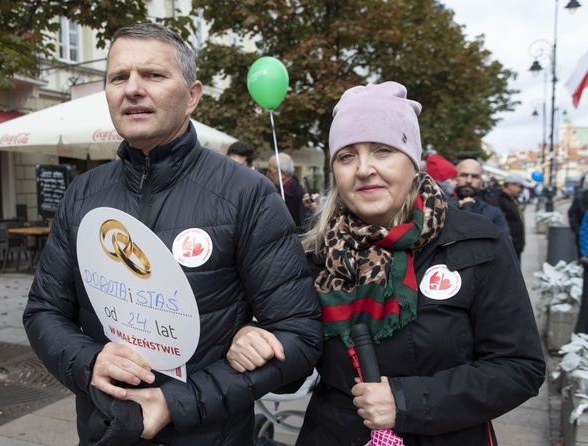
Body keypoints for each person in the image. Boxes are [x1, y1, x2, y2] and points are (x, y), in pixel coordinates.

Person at [23, 23, 322, 446]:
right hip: (105, 430)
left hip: (208, 435)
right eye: (118, 77)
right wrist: (89, 362)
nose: (132, 89)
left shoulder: (246, 194)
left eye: (154, 75)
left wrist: (177, 402)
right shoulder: (83, 194)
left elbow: (300, 336)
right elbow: (43, 312)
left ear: (193, 96)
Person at [226, 81, 545, 445]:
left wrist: (408, 401)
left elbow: (519, 368)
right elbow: (292, 370)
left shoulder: (477, 244)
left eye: (382, 150)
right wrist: (255, 340)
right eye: (347, 156)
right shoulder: (315, 252)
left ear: (412, 160)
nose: (364, 169)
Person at [449, 158, 510, 236]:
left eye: (475, 176)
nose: (469, 180)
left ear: (481, 181)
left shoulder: (493, 213)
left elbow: (504, 244)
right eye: (464, 175)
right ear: (454, 177)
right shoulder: (441, 207)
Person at [488, 173, 527, 264]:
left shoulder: (512, 199)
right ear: (510, 185)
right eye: (520, 186)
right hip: (507, 248)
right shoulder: (497, 200)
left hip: (515, 246)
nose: (522, 190)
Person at [266, 152, 309, 228]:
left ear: (282, 174)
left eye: (270, 171)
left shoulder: (300, 194)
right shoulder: (273, 189)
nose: (267, 175)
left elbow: (304, 227)